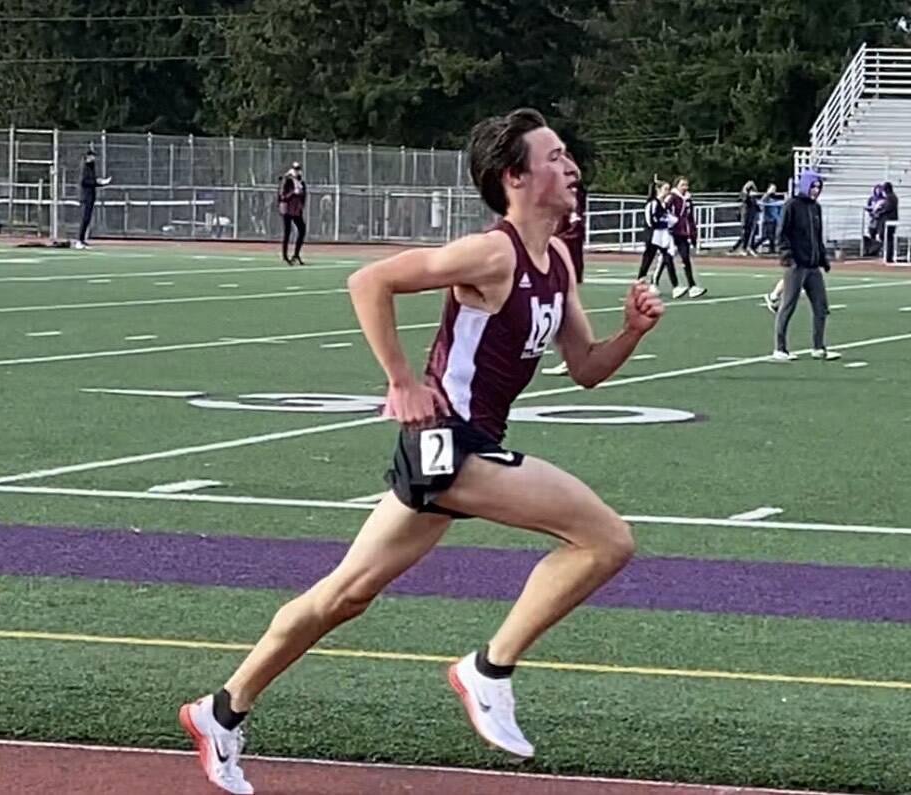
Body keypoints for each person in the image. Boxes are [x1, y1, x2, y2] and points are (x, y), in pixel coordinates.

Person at [178, 108, 664, 795]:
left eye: (567, 155)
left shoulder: (556, 259)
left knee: (346, 593)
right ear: (514, 177)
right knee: (605, 539)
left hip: (464, 447)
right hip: (448, 445)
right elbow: (368, 281)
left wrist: (633, 331)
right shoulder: (492, 253)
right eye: (554, 156)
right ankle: (487, 670)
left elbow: (584, 364)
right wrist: (402, 380)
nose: (572, 166)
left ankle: (219, 711)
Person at [772, 169, 839, 362]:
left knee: (821, 306)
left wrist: (823, 259)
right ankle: (780, 348)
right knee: (788, 305)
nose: (816, 191)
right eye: (813, 186)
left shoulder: (815, 208)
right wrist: (787, 257)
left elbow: (817, 237)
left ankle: (819, 347)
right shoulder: (792, 205)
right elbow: (782, 233)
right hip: (796, 265)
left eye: (818, 187)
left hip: (812, 266)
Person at [542, 180, 588, 376]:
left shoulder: (572, 198)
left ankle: (572, 357)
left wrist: (554, 242)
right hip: (559, 256)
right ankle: (571, 357)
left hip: (563, 258)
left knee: (557, 308)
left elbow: (576, 230)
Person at [636, 180, 682, 298]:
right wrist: (663, 222)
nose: (668, 192)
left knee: (668, 258)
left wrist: (670, 221)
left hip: (662, 235)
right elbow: (650, 221)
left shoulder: (664, 204)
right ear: (658, 190)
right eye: (666, 189)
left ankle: (675, 287)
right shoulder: (653, 203)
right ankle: (640, 282)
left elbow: (666, 217)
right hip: (653, 235)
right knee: (648, 259)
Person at [664, 177, 706, 297]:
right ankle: (672, 286)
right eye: (682, 185)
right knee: (666, 259)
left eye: (686, 185)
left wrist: (693, 234)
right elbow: (663, 211)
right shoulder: (671, 198)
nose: (685, 188)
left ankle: (692, 286)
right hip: (671, 233)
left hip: (682, 233)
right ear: (676, 186)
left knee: (686, 258)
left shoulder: (688, 199)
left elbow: (690, 218)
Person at [75, 146, 111, 249]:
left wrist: (101, 182)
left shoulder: (91, 166)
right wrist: (97, 182)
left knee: (87, 219)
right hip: (86, 196)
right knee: (84, 218)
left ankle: (82, 240)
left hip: (91, 196)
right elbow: (84, 181)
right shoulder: (85, 167)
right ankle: (79, 240)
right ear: (88, 157)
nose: (94, 158)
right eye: (92, 156)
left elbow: (92, 180)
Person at [278, 161, 308, 265]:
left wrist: (302, 204)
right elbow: (282, 196)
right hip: (287, 209)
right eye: (295, 169)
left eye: (298, 168)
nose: (297, 171)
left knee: (302, 230)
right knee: (287, 231)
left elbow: (303, 194)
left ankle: (296, 254)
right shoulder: (287, 180)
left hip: (296, 210)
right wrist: (292, 193)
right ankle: (285, 256)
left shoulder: (301, 181)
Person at [731, 180, 760, 258]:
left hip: (751, 216)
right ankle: (742, 248)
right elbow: (745, 201)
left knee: (751, 232)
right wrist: (747, 194)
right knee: (745, 233)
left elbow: (756, 205)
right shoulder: (745, 195)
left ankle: (747, 248)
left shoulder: (753, 196)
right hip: (746, 216)